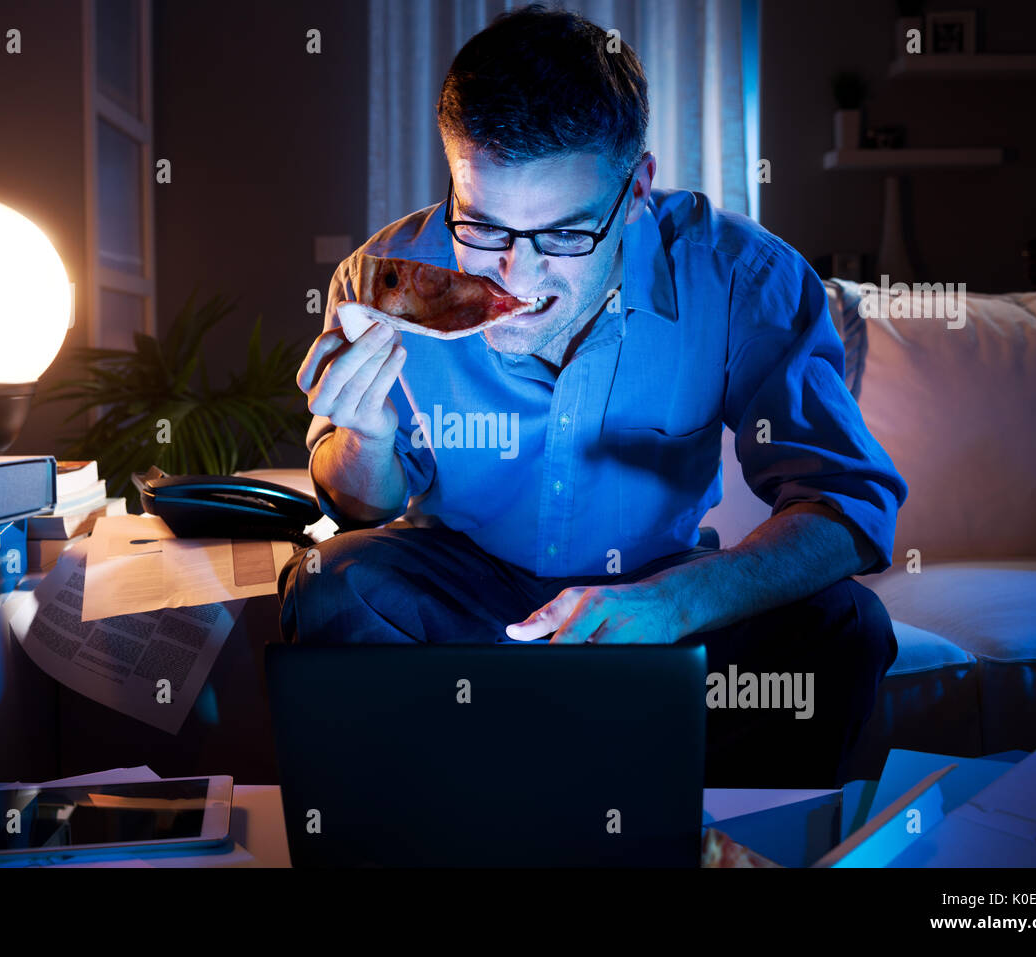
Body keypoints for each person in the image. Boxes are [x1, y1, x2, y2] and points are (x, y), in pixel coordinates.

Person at [280, 4, 906, 787]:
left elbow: (850, 508)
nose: (514, 272)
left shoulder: (742, 278)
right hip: (467, 594)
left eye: (565, 236)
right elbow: (362, 507)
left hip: (657, 600)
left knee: (844, 629)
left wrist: (677, 604)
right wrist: (365, 433)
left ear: (638, 187)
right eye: (482, 226)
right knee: (332, 586)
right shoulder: (385, 277)